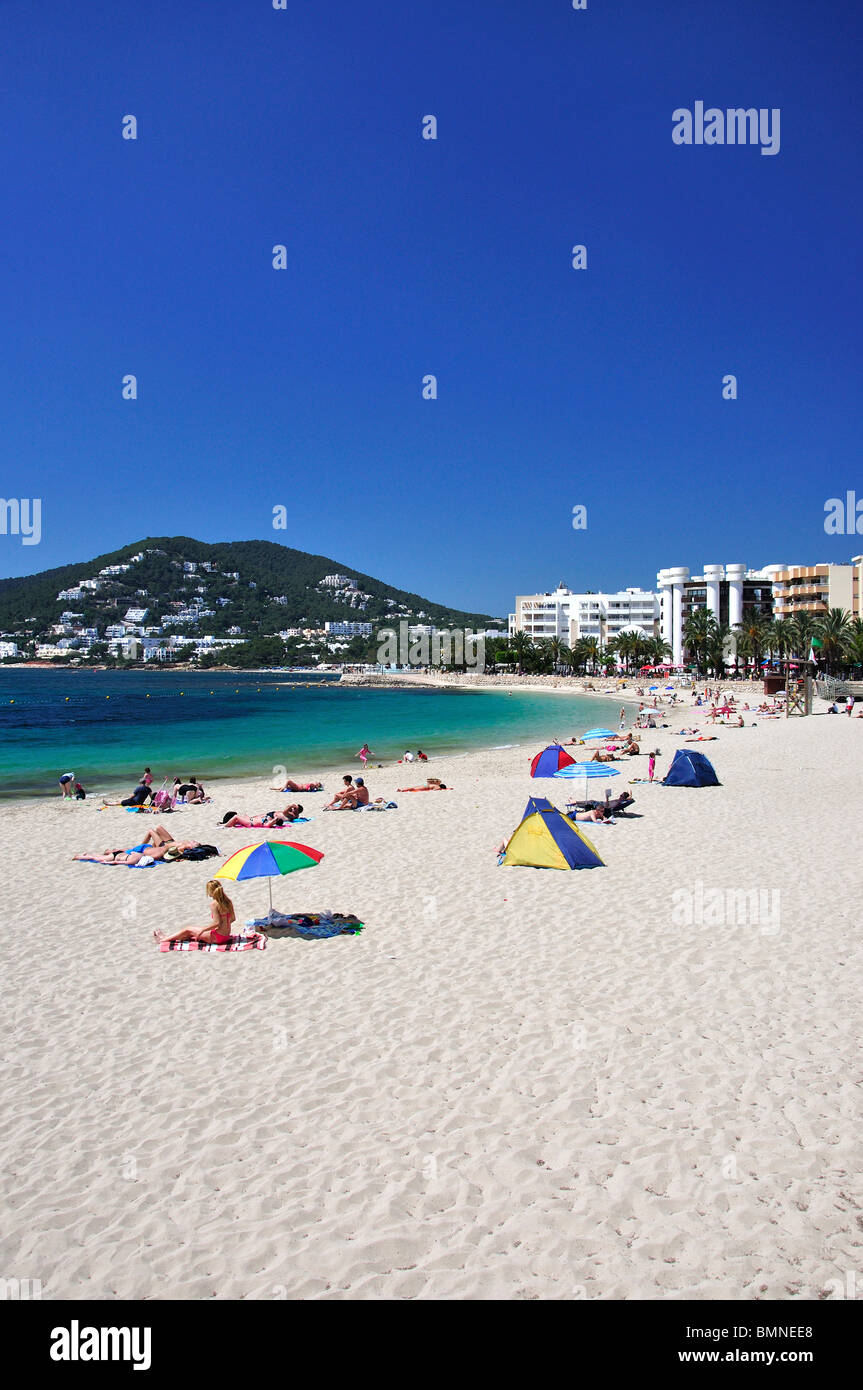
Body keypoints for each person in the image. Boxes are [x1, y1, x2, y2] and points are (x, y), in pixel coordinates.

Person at [155, 880, 236, 946]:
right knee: (190, 933)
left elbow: (216, 923)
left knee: (188, 929)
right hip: (226, 936)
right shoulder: (228, 901)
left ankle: (164, 940)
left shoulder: (214, 904)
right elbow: (233, 919)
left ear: (210, 891)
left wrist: (202, 930)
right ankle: (168, 938)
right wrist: (224, 925)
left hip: (218, 937)